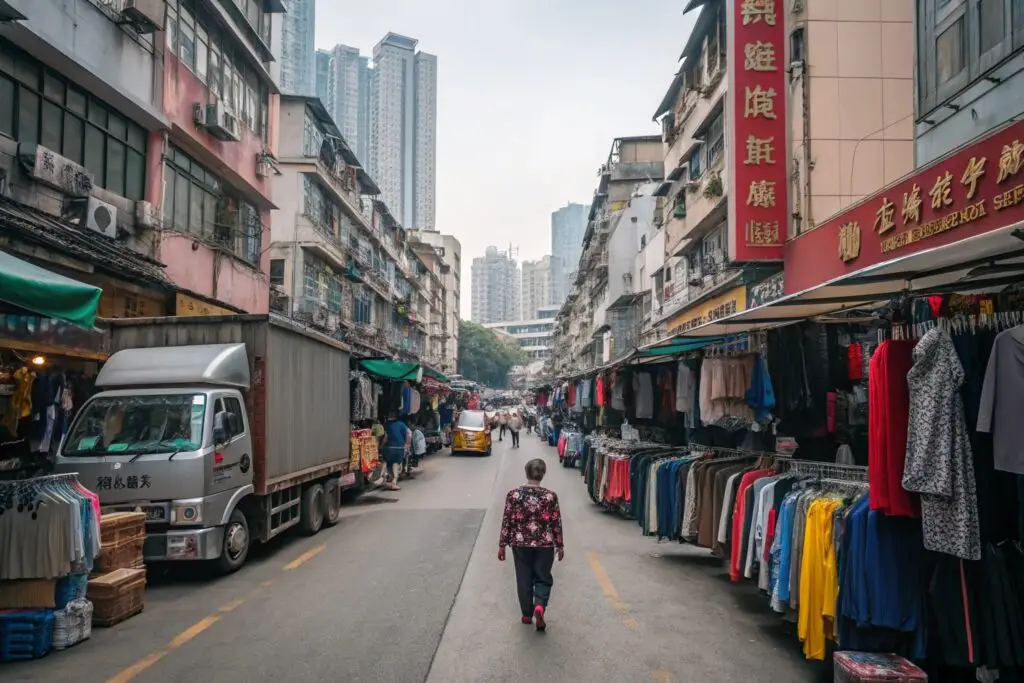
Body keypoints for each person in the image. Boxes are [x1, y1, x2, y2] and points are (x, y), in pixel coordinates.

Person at [498, 458, 564, 630]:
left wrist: (502, 545)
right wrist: (560, 545)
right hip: (545, 545)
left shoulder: (514, 495)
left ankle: (527, 615)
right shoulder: (550, 496)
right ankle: (540, 606)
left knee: (523, 578)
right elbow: (556, 522)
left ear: (526, 473)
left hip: (520, 544)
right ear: (543, 475)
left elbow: (507, 520)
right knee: (543, 577)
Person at [380, 412, 409, 491]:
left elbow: (385, 437)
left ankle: (383, 478)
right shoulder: (402, 424)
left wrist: (381, 446)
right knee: (395, 463)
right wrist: (406, 445)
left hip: (388, 447)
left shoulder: (386, 425)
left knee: (385, 461)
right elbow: (407, 435)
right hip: (399, 448)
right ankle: (394, 482)